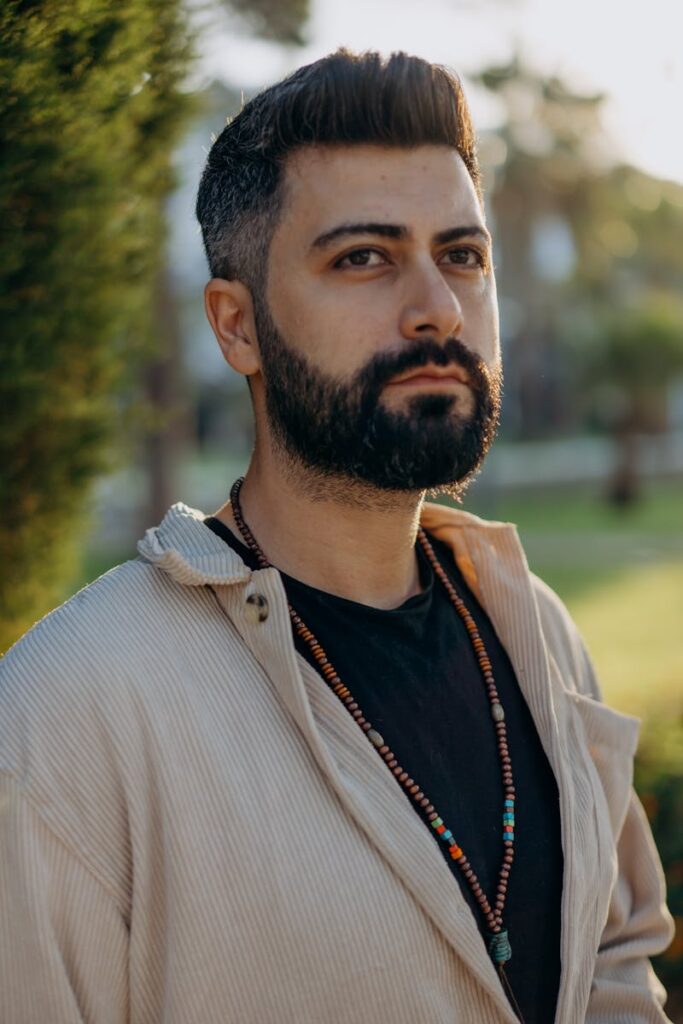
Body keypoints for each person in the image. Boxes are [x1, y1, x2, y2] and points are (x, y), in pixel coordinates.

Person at [0, 50, 674, 1024]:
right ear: (236, 328)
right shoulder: (66, 717)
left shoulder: (532, 627)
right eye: (362, 256)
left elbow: (613, 963)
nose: (436, 307)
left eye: (462, 255)